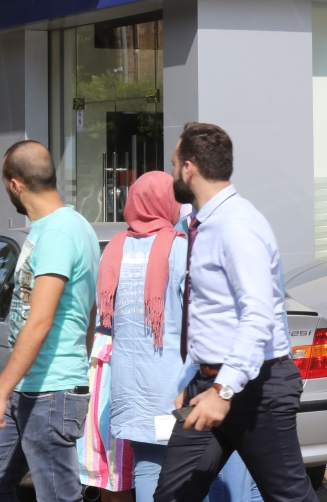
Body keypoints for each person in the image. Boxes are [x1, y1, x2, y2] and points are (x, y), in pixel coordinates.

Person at [153, 123, 318, 502]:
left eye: (175, 163)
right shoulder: (205, 224)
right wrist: (195, 379)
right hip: (211, 385)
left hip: (257, 387)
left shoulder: (237, 226)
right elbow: (213, 315)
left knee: (289, 496)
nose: (173, 172)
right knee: (172, 497)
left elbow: (257, 315)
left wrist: (223, 391)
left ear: (190, 168)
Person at [79, 171, 261, 502]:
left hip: (130, 394)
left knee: (148, 469)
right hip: (176, 391)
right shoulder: (181, 250)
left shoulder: (113, 252)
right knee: (198, 476)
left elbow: (102, 320)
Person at [0, 140, 99, 502]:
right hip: (30, 389)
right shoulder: (60, 228)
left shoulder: (59, 232)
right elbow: (88, 311)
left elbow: (40, 320)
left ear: (16, 184)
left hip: (50, 393)